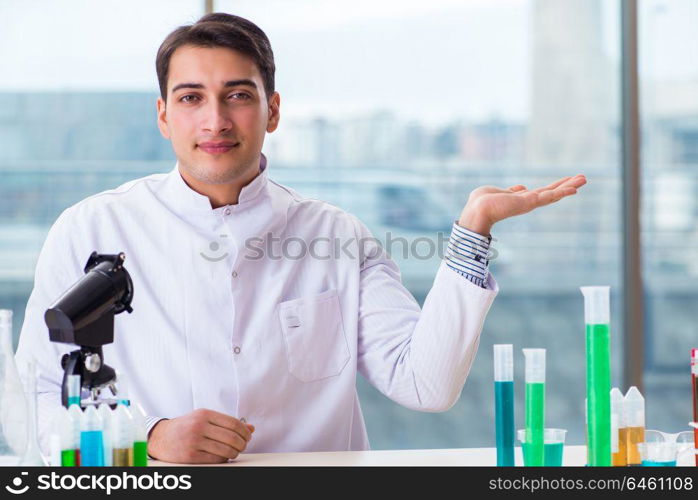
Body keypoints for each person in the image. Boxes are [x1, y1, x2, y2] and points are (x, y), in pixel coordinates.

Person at [15, 13, 586, 463]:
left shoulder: (337, 236)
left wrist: (472, 231)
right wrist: (148, 439)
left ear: (274, 110)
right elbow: (32, 404)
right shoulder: (89, 229)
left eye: (238, 95)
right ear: (164, 116)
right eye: (191, 98)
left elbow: (425, 384)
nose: (214, 120)